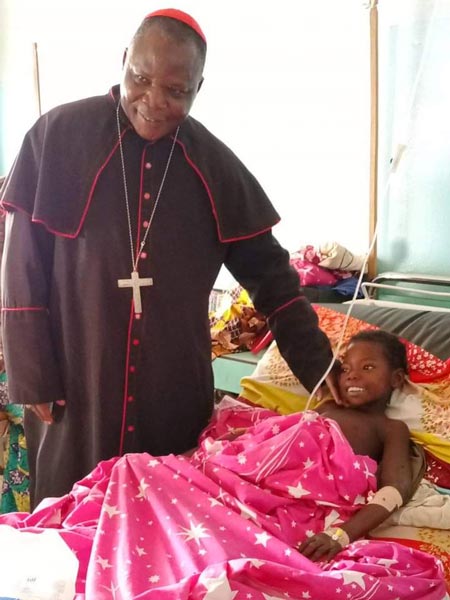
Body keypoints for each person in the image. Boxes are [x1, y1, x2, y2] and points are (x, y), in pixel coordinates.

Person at [0, 9, 336, 508]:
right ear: (124, 61)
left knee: (164, 522)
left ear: (199, 87)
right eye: (140, 78)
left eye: (176, 91)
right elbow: (20, 266)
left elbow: (275, 282)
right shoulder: (57, 134)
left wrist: (323, 372)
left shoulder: (215, 165)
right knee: (71, 517)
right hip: (77, 375)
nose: (153, 101)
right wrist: (32, 373)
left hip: (172, 384)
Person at [298, 329, 415, 561]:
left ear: (396, 379)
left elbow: (395, 489)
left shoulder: (391, 428)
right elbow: (284, 433)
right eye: (345, 369)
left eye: (367, 367)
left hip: (310, 495)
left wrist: (341, 535)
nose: (351, 376)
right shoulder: (327, 407)